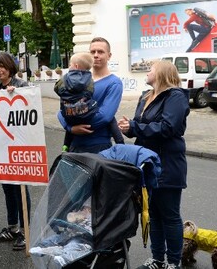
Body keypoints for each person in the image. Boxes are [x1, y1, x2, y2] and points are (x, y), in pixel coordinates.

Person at [118, 60, 189, 269]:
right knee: (153, 214)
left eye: (151, 69)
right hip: (147, 162)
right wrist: (128, 128)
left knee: (170, 215)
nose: (147, 72)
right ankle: (158, 259)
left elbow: (168, 127)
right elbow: (140, 125)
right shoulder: (146, 96)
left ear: (162, 74)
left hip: (168, 163)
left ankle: (174, 262)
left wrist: (135, 127)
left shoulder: (175, 96)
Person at [0, 53, 30, 251]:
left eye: (2, 66)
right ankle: (12, 227)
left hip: (20, 144)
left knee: (21, 187)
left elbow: (30, 111)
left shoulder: (22, 85)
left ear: (10, 67)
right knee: (7, 186)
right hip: (1, 144)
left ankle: (25, 230)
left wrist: (18, 96)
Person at [57, 37, 124, 154]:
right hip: (74, 146)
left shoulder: (114, 83)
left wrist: (76, 125)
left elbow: (105, 116)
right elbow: (62, 110)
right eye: (93, 52)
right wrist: (71, 128)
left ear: (109, 55)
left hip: (98, 147)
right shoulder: (75, 81)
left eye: (101, 52)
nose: (96, 55)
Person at [54, 52, 97, 152]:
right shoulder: (90, 80)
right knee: (111, 119)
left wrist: (66, 97)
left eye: (70, 64)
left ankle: (65, 145)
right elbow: (91, 92)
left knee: (69, 119)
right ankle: (119, 141)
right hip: (85, 113)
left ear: (76, 66)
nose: (69, 66)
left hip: (68, 113)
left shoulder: (64, 78)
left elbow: (57, 88)